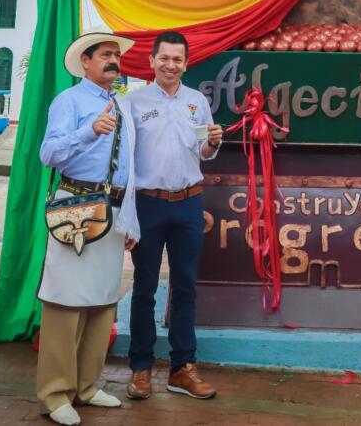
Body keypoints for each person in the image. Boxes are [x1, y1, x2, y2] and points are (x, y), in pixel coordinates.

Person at [37, 28, 140, 426]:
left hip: (113, 207)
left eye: (116, 55)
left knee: (102, 299)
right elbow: (49, 153)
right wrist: (87, 131)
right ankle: (55, 393)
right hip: (76, 206)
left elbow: (132, 164)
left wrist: (132, 216)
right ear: (86, 61)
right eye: (105, 55)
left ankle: (86, 385)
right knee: (65, 300)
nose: (113, 60)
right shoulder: (70, 101)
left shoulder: (123, 104)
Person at [126, 30, 223, 400]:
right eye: (164, 58)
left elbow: (203, 150)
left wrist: (212, 143)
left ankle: (182, 368)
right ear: (152, 61)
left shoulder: (197, 102)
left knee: (185, 287)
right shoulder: (133, 103)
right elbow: (124, 162)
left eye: (177, 59)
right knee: (144, 288)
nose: (171, 65)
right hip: (147, 204)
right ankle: (141, 369)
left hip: (188, 204)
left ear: (186, 63)